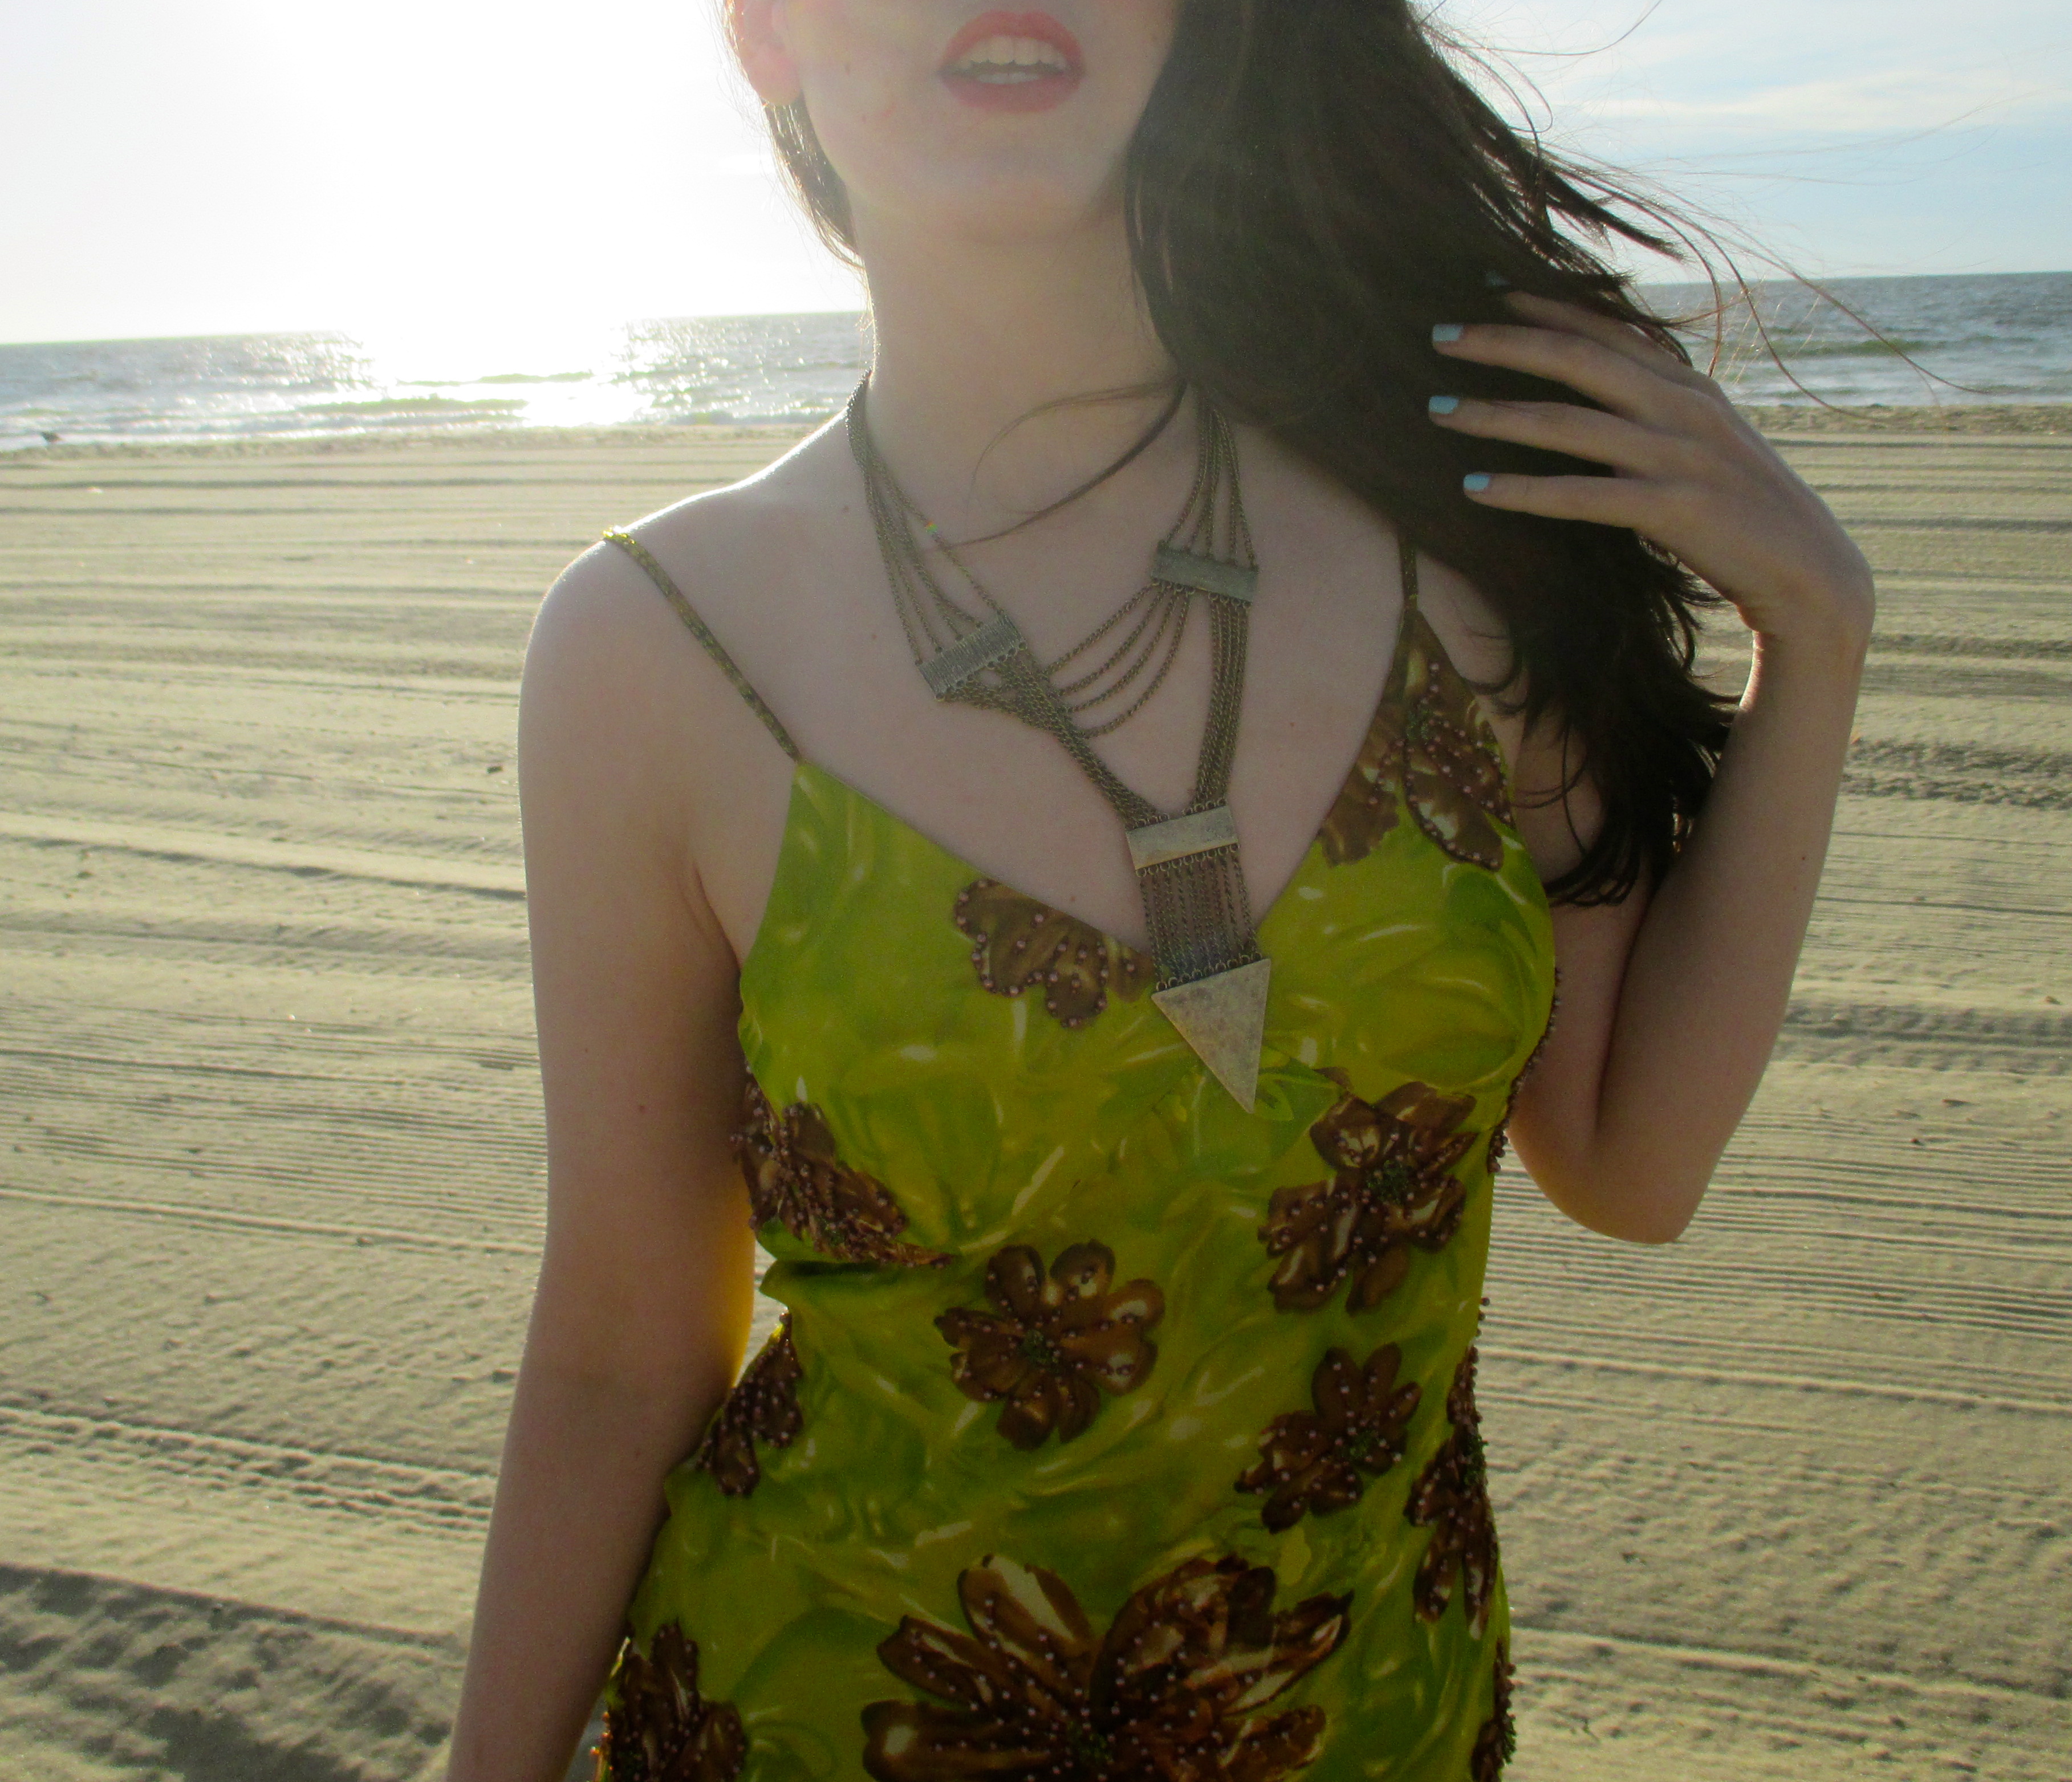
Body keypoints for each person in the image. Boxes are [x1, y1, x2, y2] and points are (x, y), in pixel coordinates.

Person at [448, 3, 1873, 1777]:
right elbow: (623, 1349)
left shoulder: (1477, 547)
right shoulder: (654, 644)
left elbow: (1627, 1159)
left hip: (1373, 1726)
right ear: (768, 35)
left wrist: (1815, 637)